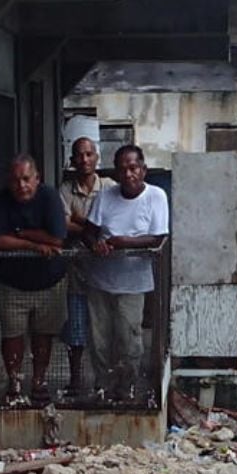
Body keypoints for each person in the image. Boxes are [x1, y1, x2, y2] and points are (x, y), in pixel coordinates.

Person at [82, 144, 169, 402]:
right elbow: (89, 231)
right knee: (99, 340)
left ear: (143, 170)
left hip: (134, 282)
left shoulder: (156, 196)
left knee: (130, 339)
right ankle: (103, 387)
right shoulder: (106, 196)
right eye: (122, 170)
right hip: (100, 280)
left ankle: (127, 386)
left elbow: (157, 238)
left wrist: (122, 242)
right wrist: (95, 244)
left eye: (133, 168)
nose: (128, 174)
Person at [0, 152, 69, 404]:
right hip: (12, 283)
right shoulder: (1, 200)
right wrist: (32, 244)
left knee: (44, 335)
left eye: (26, 179)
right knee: (12, 335)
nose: (21, 185)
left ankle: (39, 383)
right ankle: (15, 383)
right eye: (15, 180)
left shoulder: (50, 197)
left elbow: (57, 238)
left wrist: (19, 233)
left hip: (50, 281)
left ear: (37, 178)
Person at [58, 137, 102, 396]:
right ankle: (76, 382)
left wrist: (79, 220)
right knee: (75, 332)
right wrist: (92, 226)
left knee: (104, 332)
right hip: (76, 273)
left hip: (106, 274)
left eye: (89, 154)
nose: (84, 160)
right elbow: (62, 225)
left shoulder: (109, 187)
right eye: (79, 155)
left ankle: (104, 382)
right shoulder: (65, 190)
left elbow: (110, 225)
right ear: (72, 160)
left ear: (96, 157)